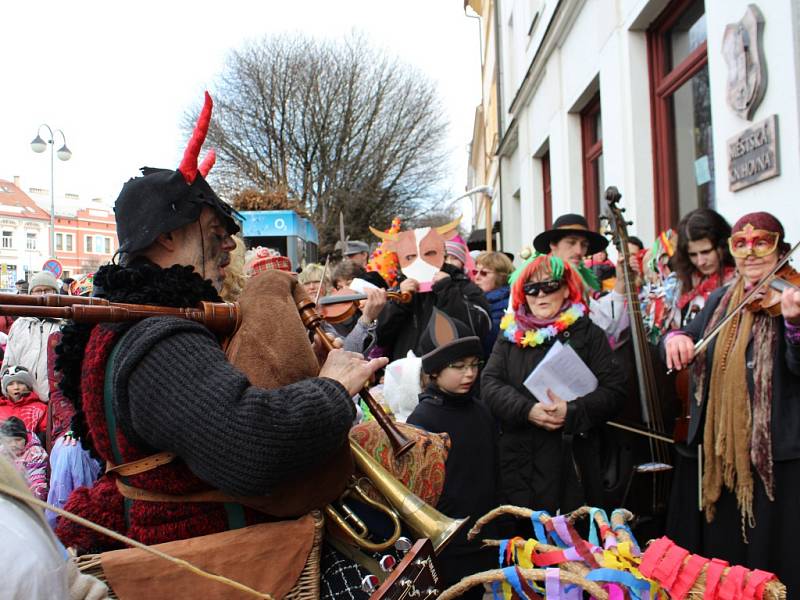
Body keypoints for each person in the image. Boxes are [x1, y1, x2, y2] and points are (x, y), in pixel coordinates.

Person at [53, 93, 387, 597]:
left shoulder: (132, 323)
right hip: (211, 568)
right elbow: (251, 444)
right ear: (167, 238)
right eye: (216, 230)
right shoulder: (157, 336)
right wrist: (333, 388)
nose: (231, 245)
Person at [663, 212, 800, 595]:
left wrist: (795, 327)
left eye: (762, 244)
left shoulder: (791, 295)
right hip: (726, 456)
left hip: (778, 456)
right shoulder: (723, 298)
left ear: (780, 249)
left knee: (777, 560)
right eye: (741, 244)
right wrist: (675, 337)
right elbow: (686, 335)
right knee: (733, 565)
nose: (751, 253)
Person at [482, 254, 626, 519]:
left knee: (575, 547)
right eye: (531, 288)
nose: (540, 295)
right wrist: (527, 409)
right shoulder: (509, 335)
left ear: (566, 288)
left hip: (573, 463)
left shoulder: (589, 333)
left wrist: (572, 411)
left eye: (550, 285)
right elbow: (489, 384)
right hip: (520, 464)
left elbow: (615, 391)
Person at [407, 309, 496, 598]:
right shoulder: (424, 418)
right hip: (451, 542)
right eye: (458, 366)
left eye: (474, 364)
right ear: (434, 371)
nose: (470, 373)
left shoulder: (480, 409)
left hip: (487, 531)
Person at [1, 271, 63, 401]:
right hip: (25, 402)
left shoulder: (65, 324)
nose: (43, 294)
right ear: (31, 294)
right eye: (38, 290)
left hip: (58, 401)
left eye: (47, 290)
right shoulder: (19, 325)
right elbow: (8, 363)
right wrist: (8, 390)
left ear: (56, 293)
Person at [673, 208, 736, 326]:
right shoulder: (684, 283)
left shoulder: (738, 280)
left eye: (706, 252)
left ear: (723, 246)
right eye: (693, 255)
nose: (700, 262)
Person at [473, 251, 514, 355]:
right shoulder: (478, 299)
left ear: (501, 276)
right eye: (475, 272)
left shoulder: (507, 304)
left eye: (484, 273)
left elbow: (489, 341)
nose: (477, 277)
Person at [0, 417, 48, 500]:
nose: (13, 444)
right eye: (9, 441)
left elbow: (37, 482)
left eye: (18, 440)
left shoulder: (35, 453)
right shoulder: (1, 451)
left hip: (27, 499)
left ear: (25, 439)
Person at [0, 365, 47, 438]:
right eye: (10, 384)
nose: (16, 387)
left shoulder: (40, 408)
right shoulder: (1, 408)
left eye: (20, 383)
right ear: (6, 389)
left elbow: (45, 432)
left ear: (28, 386)